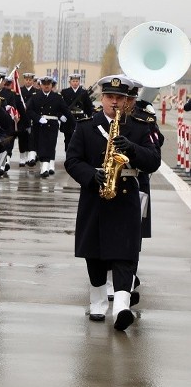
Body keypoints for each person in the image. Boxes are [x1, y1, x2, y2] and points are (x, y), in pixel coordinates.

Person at [64, 75, 160, 331]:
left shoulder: (140, 126)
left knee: (125, 254)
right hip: (94, 197)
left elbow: (153, 161)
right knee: (93, 255)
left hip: (126, 198)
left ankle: (121, 307)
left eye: (119, 98)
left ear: (127, 100)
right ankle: (97, 301)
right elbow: (72, 160)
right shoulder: (86, 125)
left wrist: (132, 148)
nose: (114, 102)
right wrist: (90, 175)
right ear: (102, 98)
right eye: (110, 97)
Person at [26, 76, 72, 177]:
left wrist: (70, 121)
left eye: (48, 84)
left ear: (52, 85)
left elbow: (66, 110)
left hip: (52, 126)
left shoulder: (57, 97)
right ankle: (40, 164)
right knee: (39, 146)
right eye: (44, 84)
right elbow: (29, 111)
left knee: (49, 147)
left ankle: (45, 169)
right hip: (38, 125)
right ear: (41, 85)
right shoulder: (35, 97)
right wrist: (38, 118)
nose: (46, 86)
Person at [60, 73, 94, 150]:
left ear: (79, 82)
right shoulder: (65, 92)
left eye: (77, 81)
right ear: (70, 82)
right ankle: (68, 156)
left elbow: (88, 106)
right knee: (68, 139)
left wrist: (90, 116)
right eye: (73, 81)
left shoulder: (83, 92)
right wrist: (61, 115)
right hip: (68, 119)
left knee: (80, 138)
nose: (75, 83)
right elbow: (60, 106)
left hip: (80, 119)